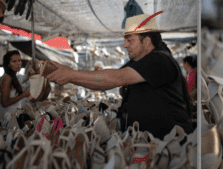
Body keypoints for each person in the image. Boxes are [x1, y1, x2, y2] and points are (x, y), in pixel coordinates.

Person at [46, 11, 193, 139]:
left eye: (130, 40)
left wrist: (71, 75)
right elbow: (103, 81)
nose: (125, 45)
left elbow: (117, 78)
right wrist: (69, 75)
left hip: (168, 145)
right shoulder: (140, 61)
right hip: (149, 142)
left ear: (147, 42)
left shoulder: (159, 60)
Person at [0, 50, 31, 119]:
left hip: (14, 118)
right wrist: (24, 95)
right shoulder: (7, 78)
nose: (18, 63)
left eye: (19, 60)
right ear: (8, 64)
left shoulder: (14, 77)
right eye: (14, 61)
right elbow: (4, 103)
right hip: (7, 119)